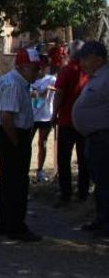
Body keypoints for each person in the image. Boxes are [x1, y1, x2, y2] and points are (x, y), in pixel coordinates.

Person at [0, 47, 43, 242]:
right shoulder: (13, 85)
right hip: (11, 134)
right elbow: (6, 117)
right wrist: (16, 142)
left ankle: (4, 223)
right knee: (17, 182)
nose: (39, 72)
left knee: (8, 180)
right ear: (23, 67)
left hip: (9, 133)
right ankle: (15, 226)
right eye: (35, 68)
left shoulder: (17, 82)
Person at [72, 41, 109, 237]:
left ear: (99, 58)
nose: (82, 62)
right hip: (94, 138)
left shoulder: (106, 77)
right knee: (100, 181)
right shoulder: (95, 77)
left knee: (105, 181)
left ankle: (106, 223)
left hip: (104, 138)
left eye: (86, 58)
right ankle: (101, 219)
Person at [52, 39, 90, 206]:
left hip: (67, 121)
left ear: (69, 53)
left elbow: (59, 93)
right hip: (85, 122)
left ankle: (66, 194)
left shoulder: (66, 71)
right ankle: (83, 192)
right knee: (84, 159)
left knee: (64, 159)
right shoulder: (89, 71)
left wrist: (54, 114)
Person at [31, 59, 56, 183]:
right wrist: (37, 93)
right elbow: (31, 96)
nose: (40, 69)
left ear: (47, 66)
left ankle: (40, 171)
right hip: (31, 117)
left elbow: (57, 96)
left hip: (46, 116)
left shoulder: (52, 80)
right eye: (38, 66)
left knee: (43, 143)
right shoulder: (30, 79)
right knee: (26, 144)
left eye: (43, 66)